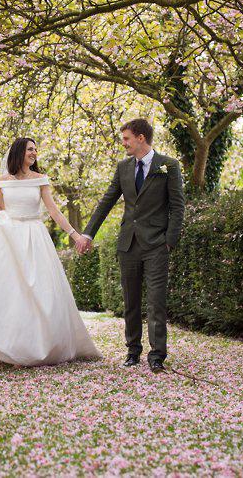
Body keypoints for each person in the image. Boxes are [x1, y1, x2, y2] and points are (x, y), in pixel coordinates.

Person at [0, 137, 103, 366]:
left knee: (37, 293)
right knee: (9, 293)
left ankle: (32, 349)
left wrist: (75, 235)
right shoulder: (3, 181)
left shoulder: (40, 180)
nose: (34, 153)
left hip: (34, 238)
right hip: (9, 238)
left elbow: (53, 211)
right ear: (18, 153)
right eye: (30, 149)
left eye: (35, 149)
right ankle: (3, 348)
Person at [75, 118, 185, 372]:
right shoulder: (123, 167)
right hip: (129, 244)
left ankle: (157, 355)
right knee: (130, 301)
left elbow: (178, 206)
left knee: (156, 302)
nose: (123, 143)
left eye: (126, 138)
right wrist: (88, 234)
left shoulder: (168, 165)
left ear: (140, 138)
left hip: (157, 244)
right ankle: (133, 352)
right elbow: (107, 201)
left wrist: (170, 241)